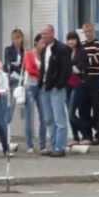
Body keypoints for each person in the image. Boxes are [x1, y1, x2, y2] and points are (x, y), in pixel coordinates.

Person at [38, 25, 71, 157]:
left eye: (45, 34)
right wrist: (41, 83)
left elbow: (66, 70)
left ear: (52, 33)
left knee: (59, 119)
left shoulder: (62, 49)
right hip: (45, 87)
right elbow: (43, 68)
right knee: (48, 119)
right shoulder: (44, 49)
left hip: (56, 87)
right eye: (42, 34)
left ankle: (60, 147)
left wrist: (59, 84)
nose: (43, 37)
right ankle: (53, 145)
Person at [65, 31, 92, 146]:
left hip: (78, 84)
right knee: (69, 113)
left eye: (73, 39)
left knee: (72, 113)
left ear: (77, 40)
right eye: (69, 39)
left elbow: (81, 68)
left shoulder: (82, 52)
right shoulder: (66, 52)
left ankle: (86, 135)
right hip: (67, 85)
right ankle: (75, 137)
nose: (71, 41)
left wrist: (70, 67)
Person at [80, 22, 99, 145]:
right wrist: (84, 62)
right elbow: (77, 61)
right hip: (83, 81)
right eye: (86, 31)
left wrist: (84, 62)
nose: (88, 33)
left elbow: (96, 59)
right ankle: (87, 135)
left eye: (90, 31)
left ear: (94, 31)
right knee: (84, 109)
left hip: (94, 80)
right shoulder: (82, 45)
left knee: (97, 108)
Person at [22, 34, 48, 154]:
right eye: (42, 42)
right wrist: (42, 74)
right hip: (30, 87)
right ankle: (29, 145)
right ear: (36, 43)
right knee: (29, 116)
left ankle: (43, 145)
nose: (44, 45)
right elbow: (29, 69)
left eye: (45, 43)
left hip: (41, 87)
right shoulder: (29, 54)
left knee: (44, 116)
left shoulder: (45, 55)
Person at [3, 29, 25, 123]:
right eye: (14, 38)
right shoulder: (8, 49)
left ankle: (8, 120)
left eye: (18, 38)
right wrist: (16, 66)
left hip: (21, 79)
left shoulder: (24, 51)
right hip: (11, 78)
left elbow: (24, 66)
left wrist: (16, 65)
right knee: (10, 102)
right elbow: (8, 64)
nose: (16, 40)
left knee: (19, 101)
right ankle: (6, 121)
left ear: (22, 38)